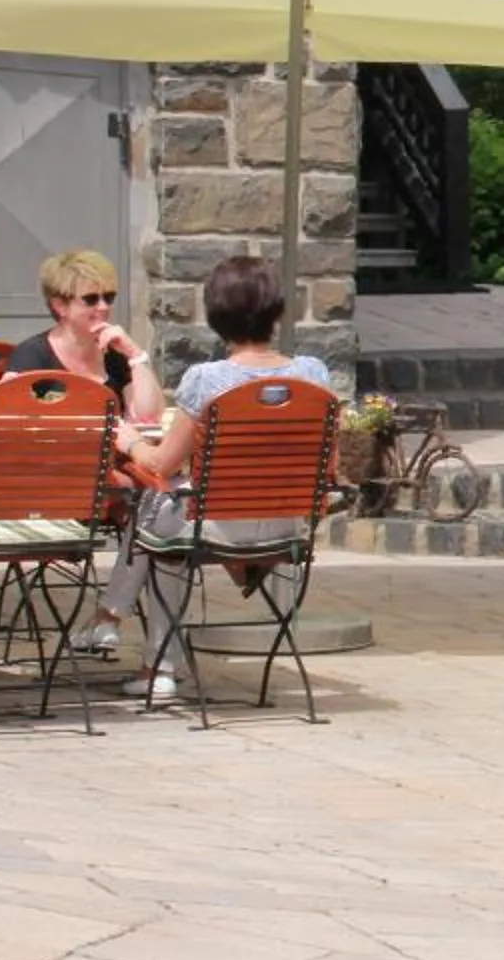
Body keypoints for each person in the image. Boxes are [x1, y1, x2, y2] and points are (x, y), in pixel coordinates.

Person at [92, 257, 335, 704]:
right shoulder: (312, 375)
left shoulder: (207, 381)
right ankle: (135, 645)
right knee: (164, 533)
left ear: (215, 315)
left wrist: (127, 442)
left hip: (219, 524)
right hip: (288, 526)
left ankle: (128, 635)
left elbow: (162, 464)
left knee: (153, 510)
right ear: (278, 312)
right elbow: (328, 461)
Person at [9, 249, 167, 427]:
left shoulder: (115, 353)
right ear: (60, 306)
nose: (103, 307)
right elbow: (7, 419)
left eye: (109, 298)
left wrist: (135, 355)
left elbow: (149, 418)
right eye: (91, 299)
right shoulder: (32, 355)